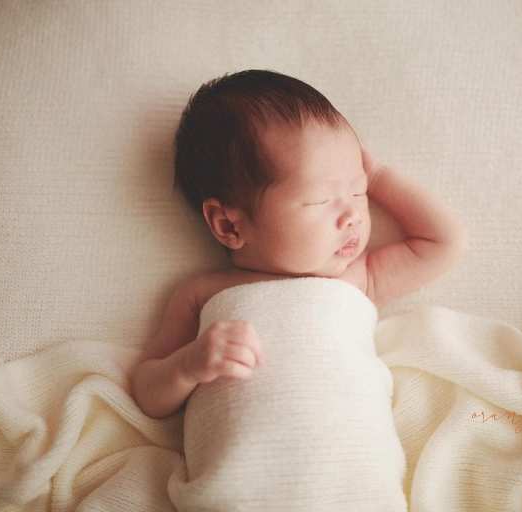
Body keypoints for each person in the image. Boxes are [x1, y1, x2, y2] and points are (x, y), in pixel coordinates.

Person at [131, 68, 467, 419]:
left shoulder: (357, 279)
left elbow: (444, 241)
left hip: (359, 465)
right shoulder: (201, 294)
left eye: (358, 191)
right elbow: (146, 393)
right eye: (321, 201)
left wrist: (379, 176)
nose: (352, 215)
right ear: (228, 224)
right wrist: (187, 366)